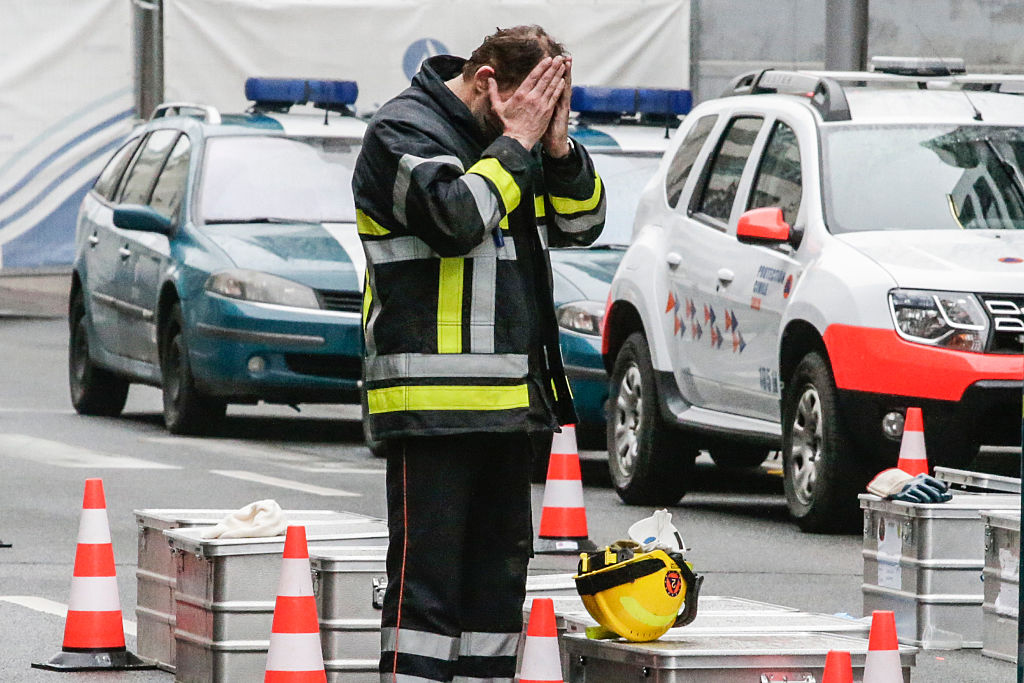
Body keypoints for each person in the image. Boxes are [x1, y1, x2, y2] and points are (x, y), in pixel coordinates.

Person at [352, 25, 606, 682]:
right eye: (530, 104)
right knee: (426, 594)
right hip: (431, 405)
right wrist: (518, 144)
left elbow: (581, 225)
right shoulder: (402, 133)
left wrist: (557, 147)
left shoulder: (516, 144)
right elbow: (455, 218)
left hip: (509, 406)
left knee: (498, 594)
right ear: (487, 79)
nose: (533, 121)